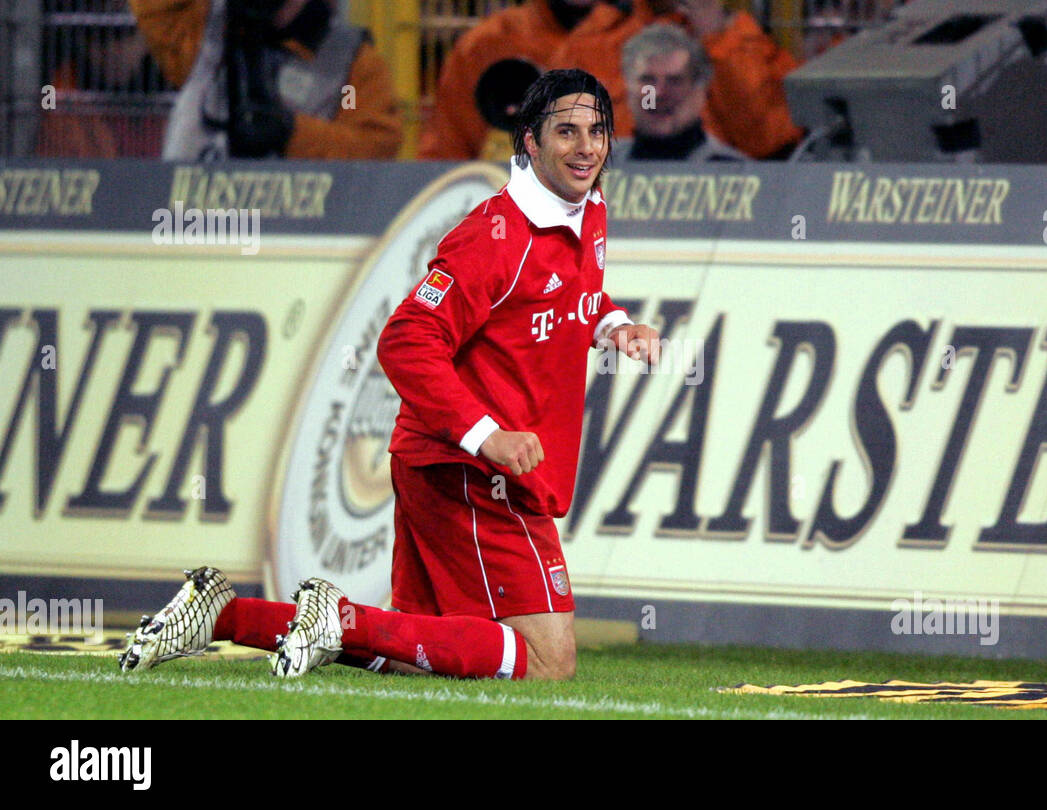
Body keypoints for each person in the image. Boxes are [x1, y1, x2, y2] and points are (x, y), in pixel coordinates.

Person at [120, 69, 660, 682]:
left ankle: (221, 615)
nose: (586, 147)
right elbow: (405, 340)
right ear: (530, 143)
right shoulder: (494, 238)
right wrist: (488, 437)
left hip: (443, 463)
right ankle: (340, 620)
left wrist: (614, 326)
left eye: (597, 131)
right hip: (474, 470)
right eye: (566, 131)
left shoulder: (586, 211)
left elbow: (569, 292)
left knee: (419, 654)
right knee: (545, 660)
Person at [418, 0, 801, 160]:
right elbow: (442, 169)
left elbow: (770, 143)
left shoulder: (683, 35)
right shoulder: (487, 46)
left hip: (676, 234)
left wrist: (717, 33)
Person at [129, 0, 400, 160]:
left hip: (294, 241)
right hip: (199, 230)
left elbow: (371, 146)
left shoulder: (351, 64)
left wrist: (290, 132)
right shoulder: (201, 30)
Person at [619, 23, 746, 160]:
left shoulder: (737, 172)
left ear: (699, 93)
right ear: (628, 88)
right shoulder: (599, 167)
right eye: (648, 80)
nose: (659, 93)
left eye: (674, 81)